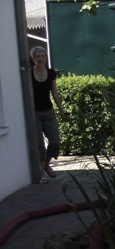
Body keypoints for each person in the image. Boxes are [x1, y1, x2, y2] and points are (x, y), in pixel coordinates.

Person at [30, 46, 65, 183]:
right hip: (35, 113)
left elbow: (54, 93)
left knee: (55, 141)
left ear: (46, 58)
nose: (40, 59)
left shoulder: (50, 74)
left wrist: (61, 109)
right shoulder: (29, 74)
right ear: (34, 58)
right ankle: (41, 172)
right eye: (37, 56)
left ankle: (46, 164)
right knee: (39, 145)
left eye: (42, 56)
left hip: (48, 111)